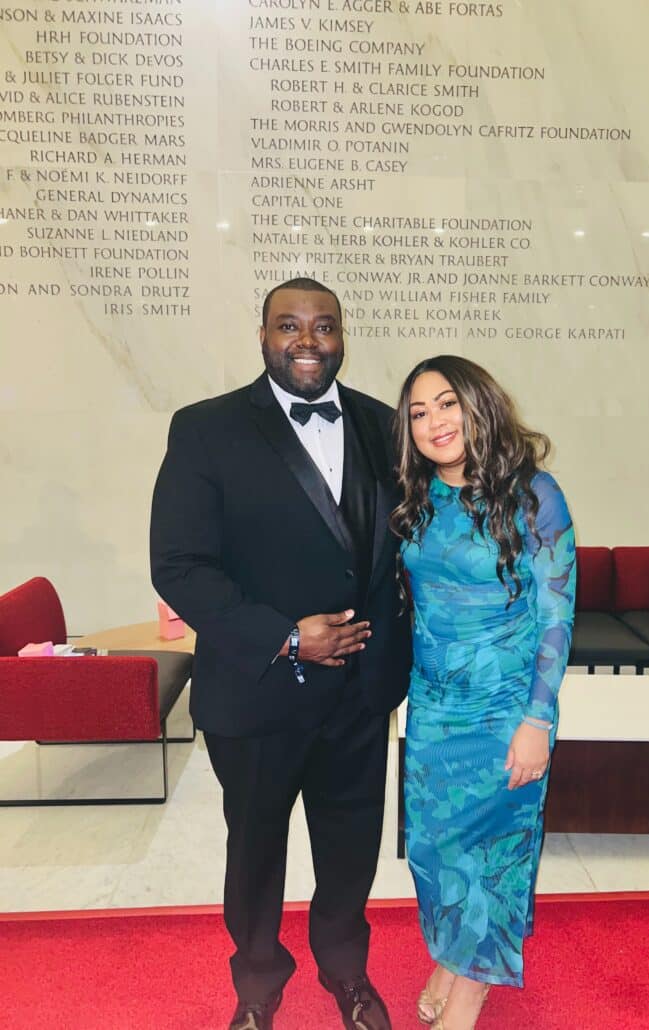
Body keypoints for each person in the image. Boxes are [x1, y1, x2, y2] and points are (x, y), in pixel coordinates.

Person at [150, 277, 411, 1030]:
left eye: (323, 326)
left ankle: (346, 971)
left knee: (349, 848)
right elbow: (179, 564)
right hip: (257, 692)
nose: (307, 340)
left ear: (342, 336)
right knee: (256, 850)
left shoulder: (382, 425)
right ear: (262, 336)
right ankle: (258, 982)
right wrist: (287, 634)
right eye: (289, 326)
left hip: (358, 697)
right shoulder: (206, 429)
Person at [390, 355, 576, 1029]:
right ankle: (449, 955)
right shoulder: (416, 498)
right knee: (435, 851)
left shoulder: (534, 495)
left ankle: (467, 995)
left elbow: (556, 615)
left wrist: (538, 720)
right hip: (434, 708)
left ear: (479, 406)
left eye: (447, 404)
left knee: (492, 854)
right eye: (418, 412)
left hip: (504, 711)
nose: (434, 422)